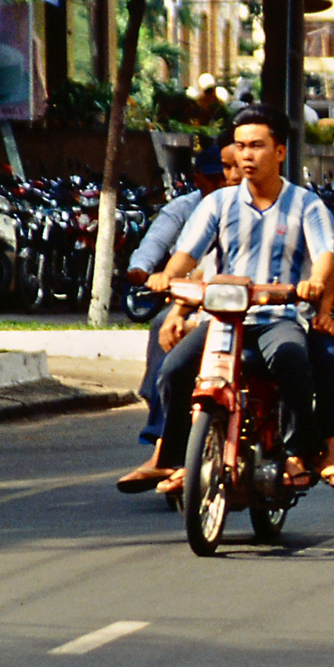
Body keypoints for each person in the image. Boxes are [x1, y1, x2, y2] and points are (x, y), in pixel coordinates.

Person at [152, 105, 334, 493]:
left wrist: (314, 281)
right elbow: (188, 254)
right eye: (241, 146)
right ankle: (178, 459)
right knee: (174, 371)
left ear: (279, 152)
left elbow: (326, 255)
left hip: (278, 316)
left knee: (292, 358)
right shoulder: (218, 204)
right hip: (221, 319)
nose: (247, 154)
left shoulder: (307, 205)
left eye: (257, 146)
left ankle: (299, 450)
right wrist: (168, 276)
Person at [115, 138, 231, 491]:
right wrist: (147, 272)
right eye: (218, 176)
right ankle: (161, 433)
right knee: (162, 331)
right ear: (200, 179)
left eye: (231, 175)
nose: (226, 183)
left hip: (246, 304)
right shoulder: (188, 209)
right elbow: (164, 251)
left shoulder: (267, 205)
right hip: (195, 296)